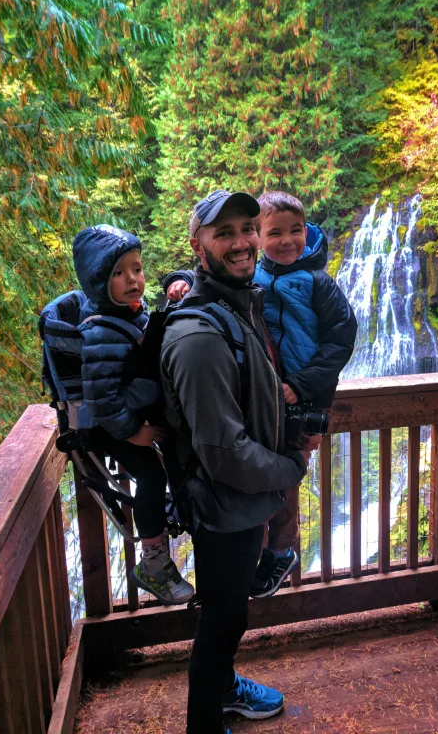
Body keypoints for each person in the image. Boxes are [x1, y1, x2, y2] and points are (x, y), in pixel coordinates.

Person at [159, 190, 313, 734]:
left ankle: (224, 691)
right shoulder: (200, 335)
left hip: (243, 501)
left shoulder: (235, 307)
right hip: (225, 503)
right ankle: (204, 722)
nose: (243, 242)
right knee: (223, 619)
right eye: (224, 232)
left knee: (230, 613)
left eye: (248, 228)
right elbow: (223, 452)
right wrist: (290, 470)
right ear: (198, 245)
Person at [165, 189, 357, 598]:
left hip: (305, 394)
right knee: (271, 468)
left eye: (296, 231)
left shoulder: (319, 282)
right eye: (273, 233)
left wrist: (304, 386)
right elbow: (211, 276)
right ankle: (266, 551)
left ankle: (281, 551)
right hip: (271, 395)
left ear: (308, 232)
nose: (287, 240)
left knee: (287, 477)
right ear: (261, 238)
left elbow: (342, 339)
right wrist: (178, 281)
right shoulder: (255, 275)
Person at [72, 224, 195, 605]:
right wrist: (132, 433)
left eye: (137, 269)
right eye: (119, 273)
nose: (133, 279)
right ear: (97, 282)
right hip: (111, 426)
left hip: (132, 415)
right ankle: (153, 564)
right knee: (151, 474)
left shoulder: (127, 314)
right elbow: (103, 399)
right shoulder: (100, 333)